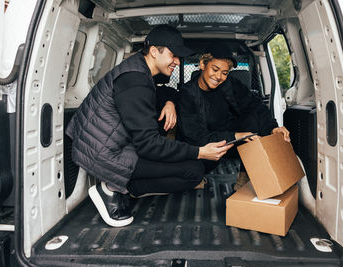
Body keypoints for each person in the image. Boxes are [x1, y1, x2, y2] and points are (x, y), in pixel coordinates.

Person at [66, 25, 232, 228]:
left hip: (105, 143)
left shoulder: (138, 69)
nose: (178, 62)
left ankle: (124, 185)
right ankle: (113, 188)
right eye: (174, 55)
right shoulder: (135, 82)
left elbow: (164, 92)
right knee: (194, 171)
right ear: (154, 51)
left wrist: (169, 102)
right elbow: (149, 146)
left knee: (171, 134)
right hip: (105, 154)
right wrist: (199, 152)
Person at [177, 42, 290, 191]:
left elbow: (255, 106)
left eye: (224, 73)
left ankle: (244, 176)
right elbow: (196, 137)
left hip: (227, 142)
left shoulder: (229, 84)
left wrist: (273, 128)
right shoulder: (188, 94)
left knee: (252, 117)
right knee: (193, 171)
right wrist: (236, 135)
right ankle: (197, 176)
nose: (219, 77)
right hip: (203, 149)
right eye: (215, 69)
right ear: (203, 65)